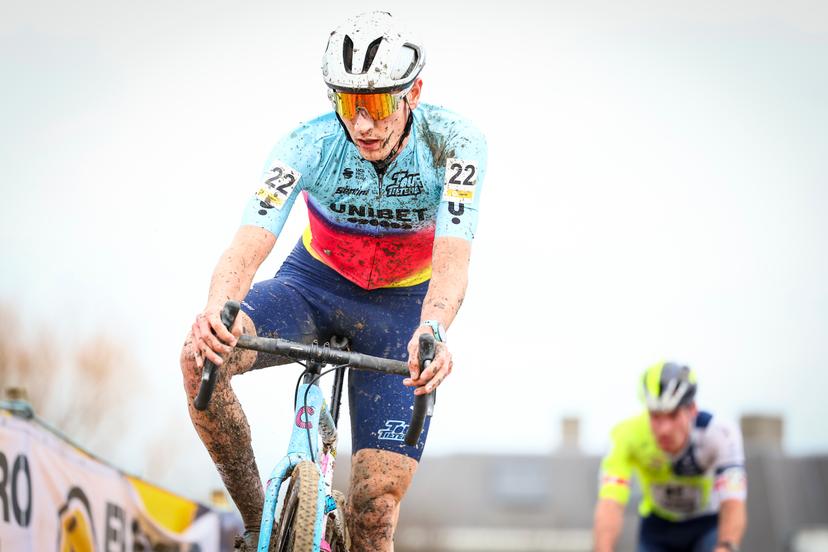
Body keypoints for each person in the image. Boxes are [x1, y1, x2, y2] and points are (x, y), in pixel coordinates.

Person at [179, 11, 486, 552]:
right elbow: (248, 243)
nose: (362, 125)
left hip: (400, 311)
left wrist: (433, 328)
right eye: (347, 104)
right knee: (200, 357)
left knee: (375, 514)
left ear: (413, 93)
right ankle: (256, 521)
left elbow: (453, 259)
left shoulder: (455, 143)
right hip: (312, 287)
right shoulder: (308, 143)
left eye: (377, 106)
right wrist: (216, 309)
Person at [592, 362, 748, 552]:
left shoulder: (719, 433)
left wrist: (726, 546)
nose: (664, 429)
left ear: (692, 410)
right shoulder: (626, 436)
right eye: (655, 416)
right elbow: (611, 503)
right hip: (658, 527)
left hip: (706, 524)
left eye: (673, 415)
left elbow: (733, 501)